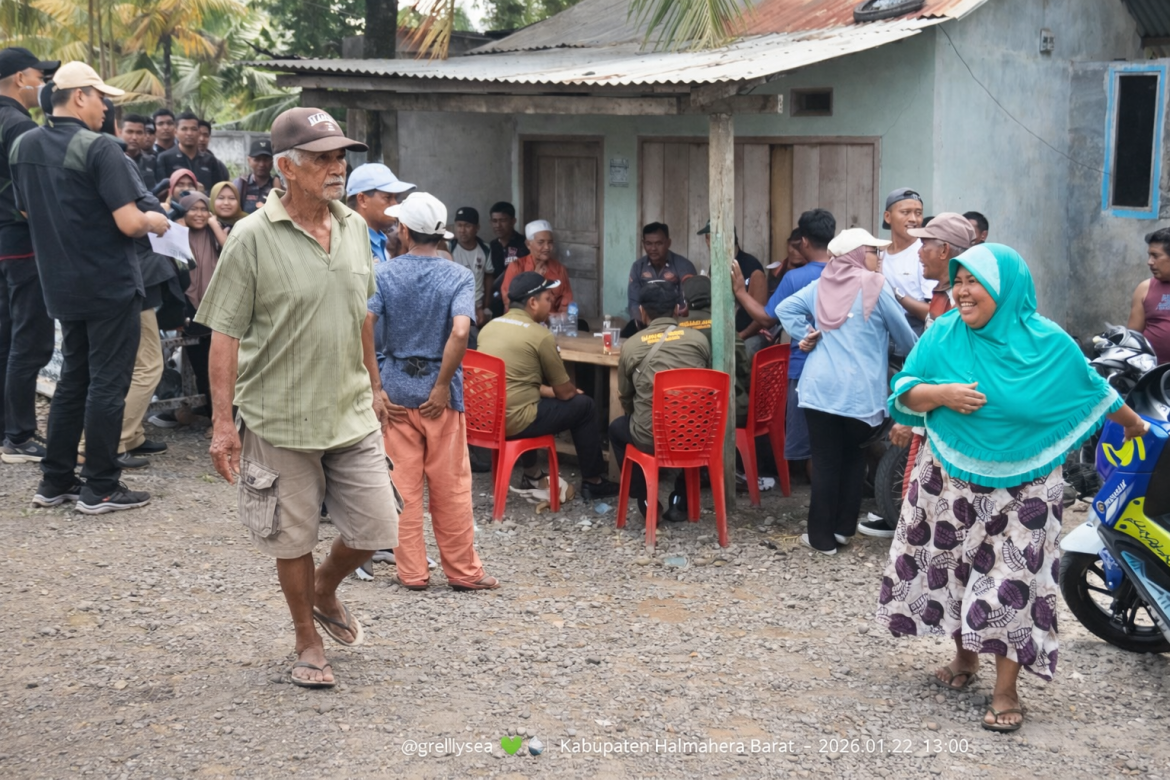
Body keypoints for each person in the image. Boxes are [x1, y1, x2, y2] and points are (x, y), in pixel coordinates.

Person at [877, 243, 1147, 732]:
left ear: (1006, 289)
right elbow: (904, 389)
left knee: (1012, 585)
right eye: (956, 281)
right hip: (950, 475)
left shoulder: (1049, 344)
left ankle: (1005, 691)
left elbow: (1094, 391)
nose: (960, 291)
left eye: (972, 281)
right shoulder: (944, 333)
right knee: (954, 570)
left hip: (1029, 484)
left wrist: (1135, 426)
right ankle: (964, 660)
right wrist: (941, 394)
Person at [198, 106, 399, 689]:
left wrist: (376, 384)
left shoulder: (356, 227)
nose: (337, 167)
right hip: (279, 415)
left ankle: (324, 589)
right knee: (294, 537)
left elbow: (362, 311)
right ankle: (306, 641)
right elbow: (225, 334)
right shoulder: (251, 238)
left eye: (340, 156)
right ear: (286, 167)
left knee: (375, 528)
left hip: (350, 408)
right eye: (323, 157)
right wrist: (221, 424)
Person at [9, 61, 170, 512]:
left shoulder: (24, 145)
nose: (107, 107)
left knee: (72, 380)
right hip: (108, 283)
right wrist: (156, 221)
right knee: (107, 384)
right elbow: (130, 221)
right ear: (79, 96)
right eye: (102, 98)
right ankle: (100, 485)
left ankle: (55, 481)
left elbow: (25, 211)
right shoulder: (98, 148)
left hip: (59, 283)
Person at [368, 191, 498, 592]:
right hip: (439, 396)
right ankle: (463, 572)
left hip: (395, 388)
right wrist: (442, 385)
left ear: (404, 230)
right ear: (441, 234)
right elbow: (462, 329)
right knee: (451, 486)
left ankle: (411, 573)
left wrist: (376, 386)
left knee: (402, 487)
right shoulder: (457, 275)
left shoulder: (385, 273)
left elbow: (364, 323)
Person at [777, 228, 917, 554]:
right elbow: (908, 339)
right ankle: (841, 530)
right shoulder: (876, 287)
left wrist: (806, 333)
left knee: (826, 460)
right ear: (856, 255)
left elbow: (785, 310)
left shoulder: (821, 284)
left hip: (818, 389)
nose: (878, 258)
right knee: (854, 458)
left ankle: (821, 539)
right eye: (873, 251)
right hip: (859, 393)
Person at [862, 212, 978, 539]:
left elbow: (950, 370)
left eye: (924, 244)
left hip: (949, 421)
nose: (918, 251)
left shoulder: (961, 303)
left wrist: (912, 416)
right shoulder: (943, 297)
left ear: (944, 252)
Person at [477, 271, 620, 499]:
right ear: (532, 302)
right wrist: (572, 391)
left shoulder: (489, 328)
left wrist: (547, 391)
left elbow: (513, 380)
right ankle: (594, 481)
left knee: (533, 398)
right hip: (516, 421)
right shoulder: (539, 335)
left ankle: (532, 473)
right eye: (546, 298)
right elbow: (564, 393)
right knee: (584, 406)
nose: (550, 303)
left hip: (486, 419)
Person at [733, 209, 836, 478]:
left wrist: (741, 293)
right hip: (842, 368)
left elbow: (767, 319)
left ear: (803, 241)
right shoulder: (848, 272)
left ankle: (819, 507)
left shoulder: (796, 278)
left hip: (805, 368)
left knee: (813, 446)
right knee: (832, 443)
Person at [610, 281, 711, 521]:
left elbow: (625, 395)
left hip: (649, 436)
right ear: (678, 309)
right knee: (690, 417)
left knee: (617, 429)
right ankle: (681, 498)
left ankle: (645, 499)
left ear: (642, 312)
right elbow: (705, 385)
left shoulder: (632, 345)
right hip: (696, 435)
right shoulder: (699, 341)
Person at [0, 48, 58, 465]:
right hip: (21, 243)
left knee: (5, 337)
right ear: (21, 78)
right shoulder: (19, 125)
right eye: (41, 75)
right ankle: (19, 436)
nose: (44, 83)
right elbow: (28, 200)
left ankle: (8, 428)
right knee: (30, 339)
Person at [624, 223, 696, 336]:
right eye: (648, 243)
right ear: (643, 243)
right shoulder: (638, 267)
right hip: (645, 326)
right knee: (625, 336)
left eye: (659, 243)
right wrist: (647, 327)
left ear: (668, 243)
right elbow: (634, 303)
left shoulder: (684, 266)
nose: (653, 248)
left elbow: (687, 304)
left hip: (676, 327)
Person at [880, 188, 932, 334]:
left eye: (918, 213)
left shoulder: (925, 254)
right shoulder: (879, 255)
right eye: (905, 212)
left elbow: (934, 312)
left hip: (916, 335)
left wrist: (896, 294)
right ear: (888, 217)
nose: (913, 219)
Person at [345, 162, 415, 264]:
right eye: (387, 197)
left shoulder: (383, 241)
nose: (395, 204)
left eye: (396, 198)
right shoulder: (346, 242)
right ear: (362, 200)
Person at [500, 220, 574, 312]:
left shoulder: (559, 269)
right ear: (528, 244)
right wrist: (534, 279)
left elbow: (567, 303)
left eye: (550, 242)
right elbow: (510, 302)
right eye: (541, 242)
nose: (547, 247)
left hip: (553, 323)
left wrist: (557, 319)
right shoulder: (516, 267)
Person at [1126, 228, 1170, 365]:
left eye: (1155, 256)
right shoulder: (1144, 289)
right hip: (1153, 374)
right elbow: (1133, 339)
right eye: (1149, 256)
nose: (1149, 262)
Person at [155, 111, 220, 194]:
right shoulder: (164, 158)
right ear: (176, 132)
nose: (189, 133)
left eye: (193, 129)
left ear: (199, 133)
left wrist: (204, 192)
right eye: (184, 129)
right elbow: (161, 191)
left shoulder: (210, 160)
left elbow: (218, 191)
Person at [451, 207, 493, 326]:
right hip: (456, 308)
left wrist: (486, 306)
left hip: (479, 310)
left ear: (477, 228)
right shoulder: (449, 248)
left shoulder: (485, 249)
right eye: (459, 225)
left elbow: (488, 277)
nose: (462, 230)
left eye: (467, 226)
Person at [488, 201, 528, 318]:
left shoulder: (524, 245)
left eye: (503, 220)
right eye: (494, 221)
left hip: (518, 301)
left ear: (513, 221)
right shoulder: (491, 246)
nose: (498, 225)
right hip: (496, 301)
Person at [235, 138, 276, 214]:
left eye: (266, 160)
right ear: (249, 160)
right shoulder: (240, 184)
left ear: (273, 161)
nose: (262, 164)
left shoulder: (277, 186)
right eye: (257, 159)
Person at [120, 113, 157, 191]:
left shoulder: (152, 162)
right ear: (120, 133)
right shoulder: (112, 160)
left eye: (139, 133)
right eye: (129, 132)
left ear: (144, 135)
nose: (134, 137)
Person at [208, 181, 246, 246]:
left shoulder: (248, 222)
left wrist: (216, 228)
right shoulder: (203, 222)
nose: (226, 203)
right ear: (213, 200)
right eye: (221, 198)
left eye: (232, 198)